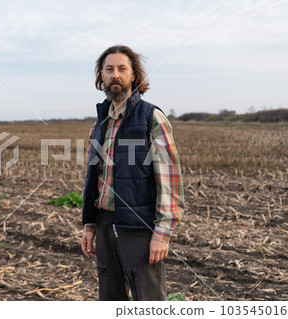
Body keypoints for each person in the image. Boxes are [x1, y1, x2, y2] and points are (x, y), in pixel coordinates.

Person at [81, 45, 185, 301]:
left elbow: (169, 178)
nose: (115, 74)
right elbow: (94, 178)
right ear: (101, 76)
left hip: (139, 225)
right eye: (109, 69)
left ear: (134, 75)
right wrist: (90, 223)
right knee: (110, 297)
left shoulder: (151, 117)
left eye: (122, 69)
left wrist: (162, 233)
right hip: (105, 223)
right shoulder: (100, 122)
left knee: (148, 300)